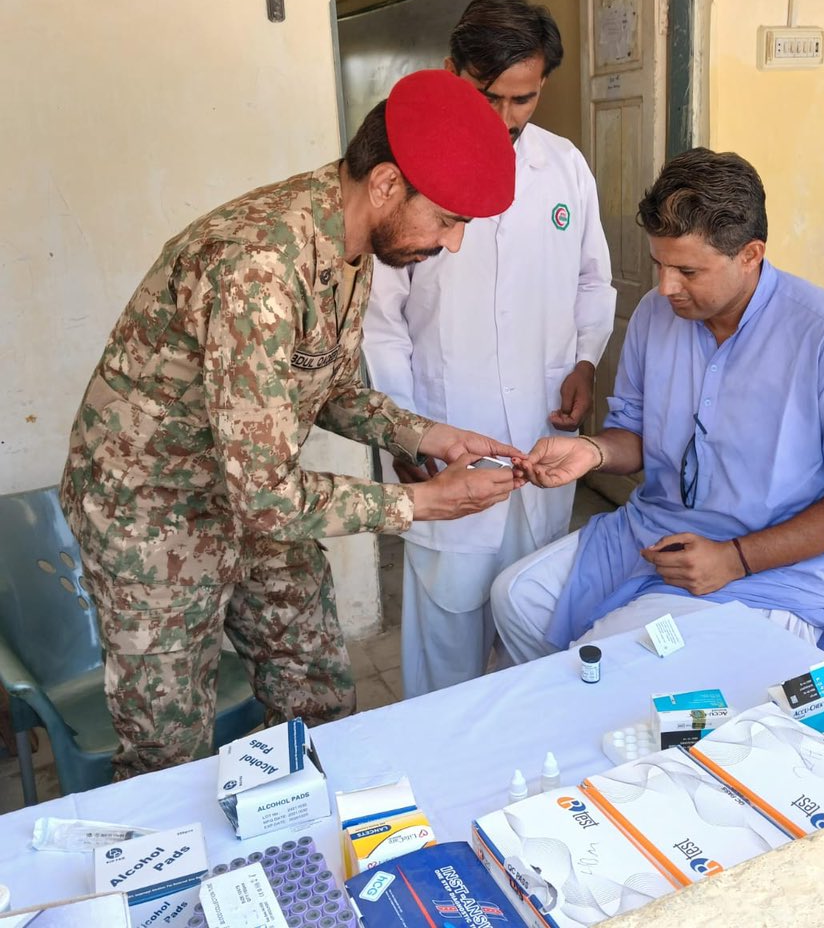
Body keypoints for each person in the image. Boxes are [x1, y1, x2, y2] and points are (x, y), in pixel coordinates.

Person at [60, 69, 522, 778]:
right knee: (168, 747)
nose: (452, 243)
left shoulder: (351, 244)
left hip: (248, 489)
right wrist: (420, 504)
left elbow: (324, 383)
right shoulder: (260, 268)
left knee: (318, 695)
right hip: (153, 512)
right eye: (449, 220)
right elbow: (269, 496)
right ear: (388, 184)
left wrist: (423, 436)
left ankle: (309, 853)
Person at [492, 147, 824, 662]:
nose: (666, 288)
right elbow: (636, 433)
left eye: (688, 271)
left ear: (750, 255)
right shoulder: (654, 315)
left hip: (770, 568)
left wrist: (735, 559)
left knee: (611, 652)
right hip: (651, 532)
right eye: (660, 266)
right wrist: (594, 454)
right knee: (515, 598)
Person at [362, 0, 615, 697]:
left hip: (540, 438)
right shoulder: (405, 179)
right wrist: (409, 437)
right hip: (449, 439)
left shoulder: (564, 170)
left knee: (535, 626)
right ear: (451, 73)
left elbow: (594, 280)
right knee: (446, 639)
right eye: (489, 96)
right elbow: (381, 326)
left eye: (524, 99)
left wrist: (586, 359)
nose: (506, 118)